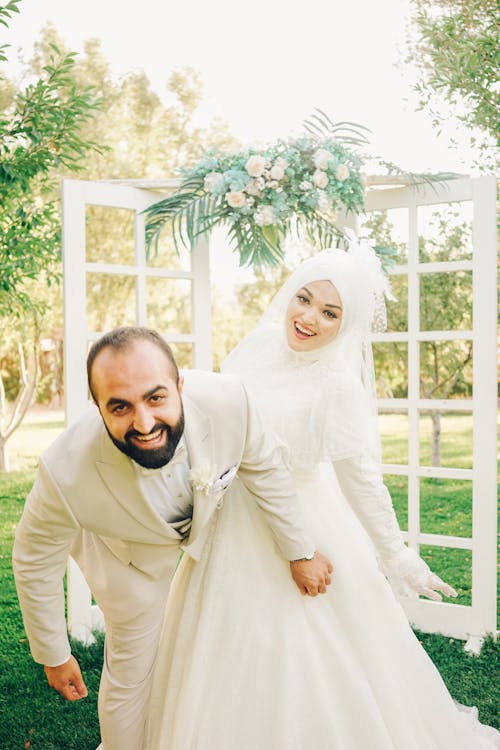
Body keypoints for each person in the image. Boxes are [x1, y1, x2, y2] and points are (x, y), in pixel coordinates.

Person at [145, 240, 499, 749]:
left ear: (345, 325)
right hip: (231, 515)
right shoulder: (257, 345)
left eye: (329, 312)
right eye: (304, 299)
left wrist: (396, 554)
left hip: (303, 524)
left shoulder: (338, 386)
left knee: (303, 645)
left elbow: (360, 478)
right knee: (215, 637)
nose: (309, 317)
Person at [12, 326, 333, 750]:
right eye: (120, 407)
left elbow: (266, 470)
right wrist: (54, 654)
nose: (143, 423)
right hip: (126, 558)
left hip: (212, 534)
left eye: (156, 397)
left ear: (180, 386)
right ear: (97, 407)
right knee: (131, 673)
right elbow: (35, 559)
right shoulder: (64, 470)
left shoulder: (229, 402)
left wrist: (300, 551)